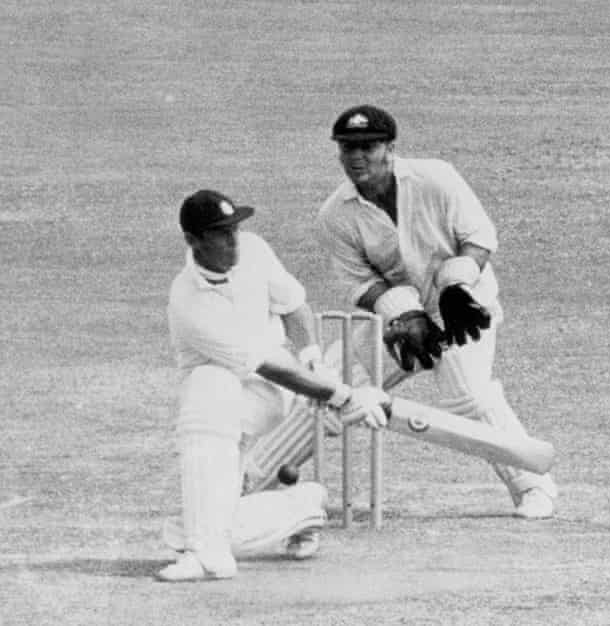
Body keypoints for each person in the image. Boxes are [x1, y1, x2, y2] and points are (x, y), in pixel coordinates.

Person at [315, 105, 558, 520]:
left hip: (463, 308)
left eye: (367, 147)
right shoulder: (335, 215)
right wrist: (404, 313)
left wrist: (457, 284)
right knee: (327, 390)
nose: (356, 157)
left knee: (469, 396)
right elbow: (358, 283)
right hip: (398, 319)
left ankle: (533, 485)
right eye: (347, 148)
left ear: (390, 148)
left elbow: (479, 237)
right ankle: (263, 480)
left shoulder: (437, 178)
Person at [157, 188, 389, 583]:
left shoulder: (255, 250)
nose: (233, 241)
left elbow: (293, 305)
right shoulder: (189, 301)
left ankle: (204, 552)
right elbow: (266, 363)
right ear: (193, 241)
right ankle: (301, 507)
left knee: (209, 387)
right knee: (194, 517)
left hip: (263, 398)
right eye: (220, 234)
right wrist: (342, 396)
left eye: (234, 229)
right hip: (233, 396)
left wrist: (314, 356)